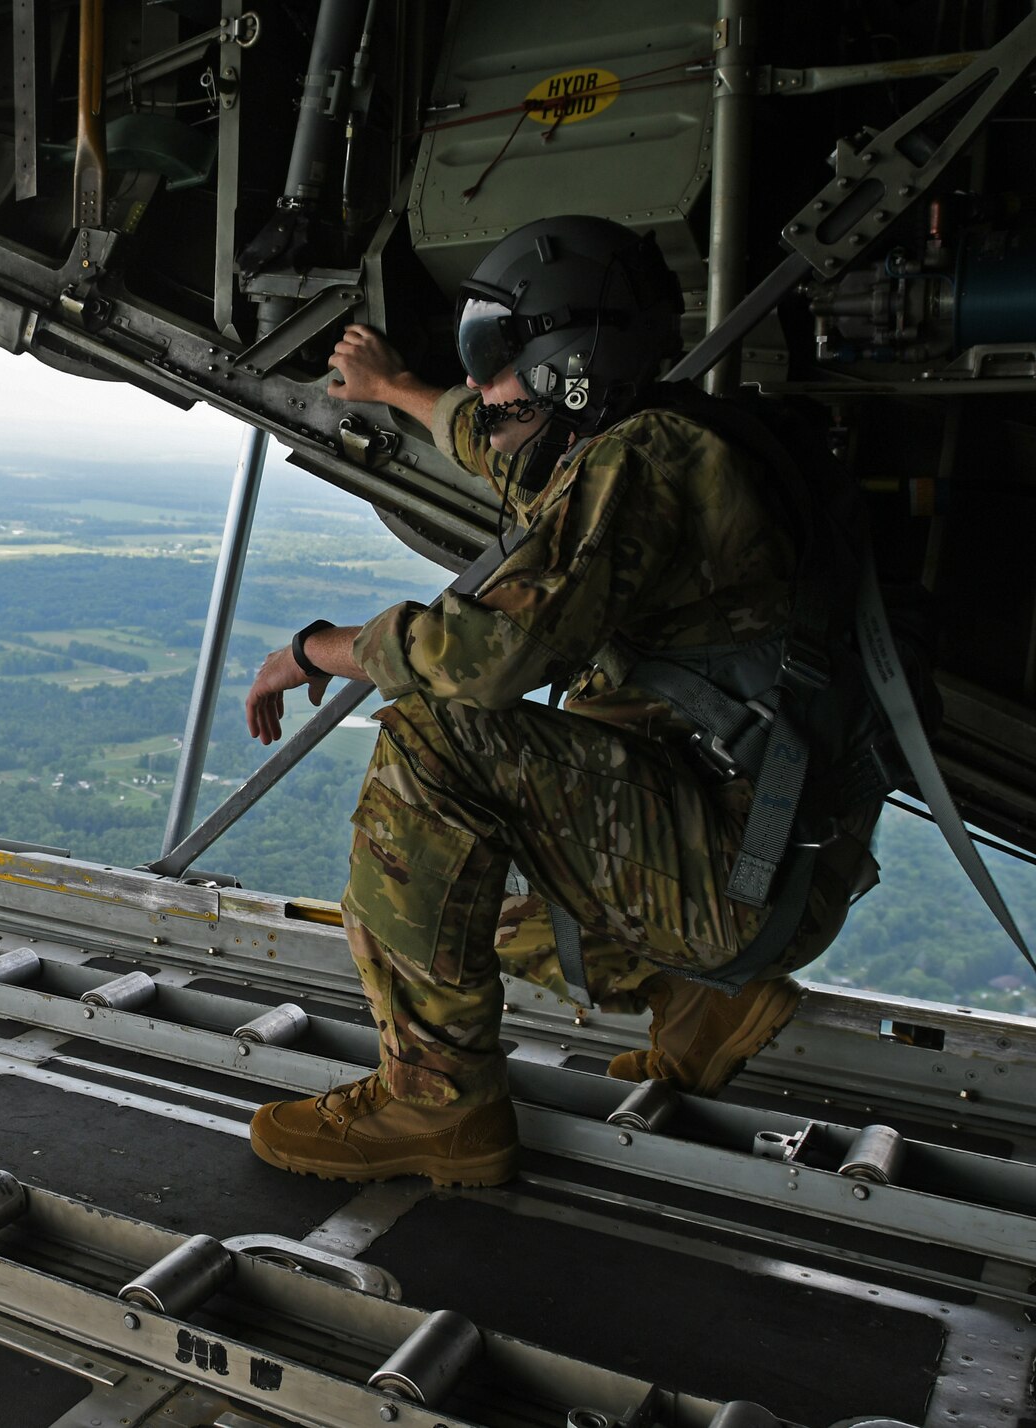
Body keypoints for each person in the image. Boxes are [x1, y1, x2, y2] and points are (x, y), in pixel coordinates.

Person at [243, 214, 881, 1187]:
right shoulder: (661, 444)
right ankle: (699, 1005)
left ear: (563, 359)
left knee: (433, 738)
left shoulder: (641, 460)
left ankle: (436, 1104)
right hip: (763, 858)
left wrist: (316, 649)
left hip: (733, 873)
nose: (487, 384)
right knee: (464, 914)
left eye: (497, 356)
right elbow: (491, 438)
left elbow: (492, 656)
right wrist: (390, 386)